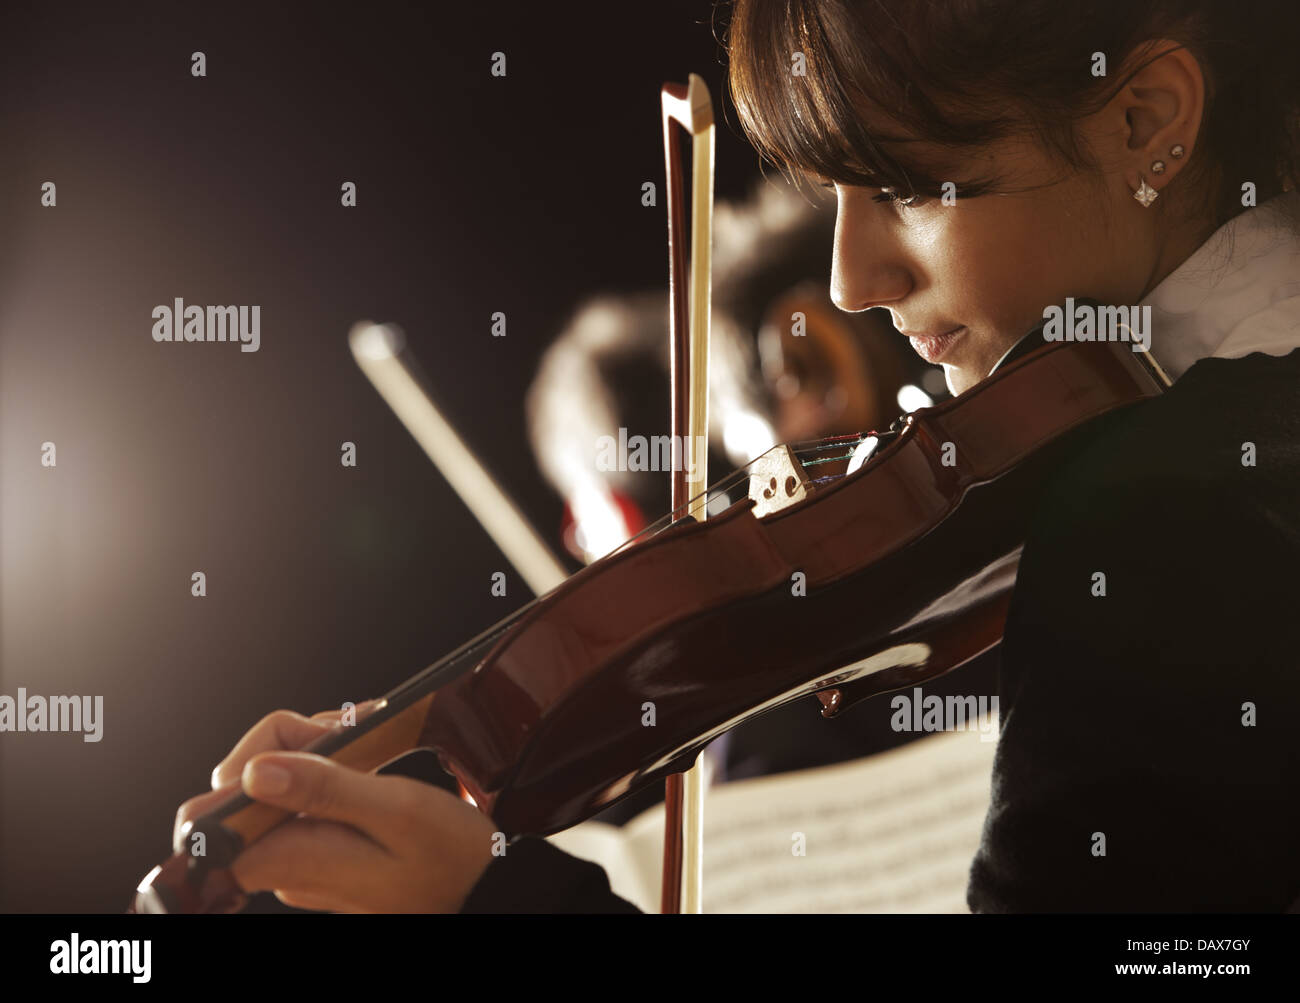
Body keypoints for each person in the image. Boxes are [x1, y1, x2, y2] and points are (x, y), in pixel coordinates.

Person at [174, 0, 1300, 912]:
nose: (857, 279)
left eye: (905, 187)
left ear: (1147, 117)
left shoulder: (1168, 510)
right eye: (836, 199)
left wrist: (489, 900)